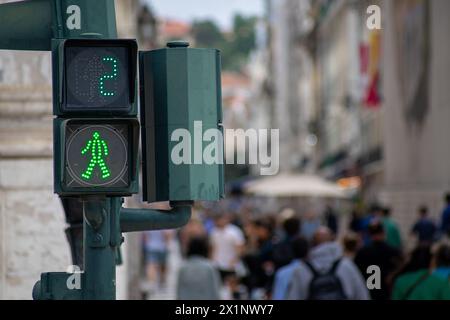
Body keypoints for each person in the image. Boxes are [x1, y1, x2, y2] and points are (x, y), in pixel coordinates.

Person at [287, 227, 370, 300]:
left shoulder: (301, 270)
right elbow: (362, 295)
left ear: (312, 243)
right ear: (333, 240)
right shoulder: (347, 266)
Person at [354, 220, 403, 300]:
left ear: (369, 234)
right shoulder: (393, 252)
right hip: (386, 292)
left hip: (367, 292)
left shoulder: (362, 252)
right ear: (383, 233)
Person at [210, 213, 245, 282]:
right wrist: (212, 260)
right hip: (218, 264)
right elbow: (213, 247)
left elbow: (240, 247)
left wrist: (235, 260)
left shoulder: (234, 231)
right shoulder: (214, 232)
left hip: (231, 265)